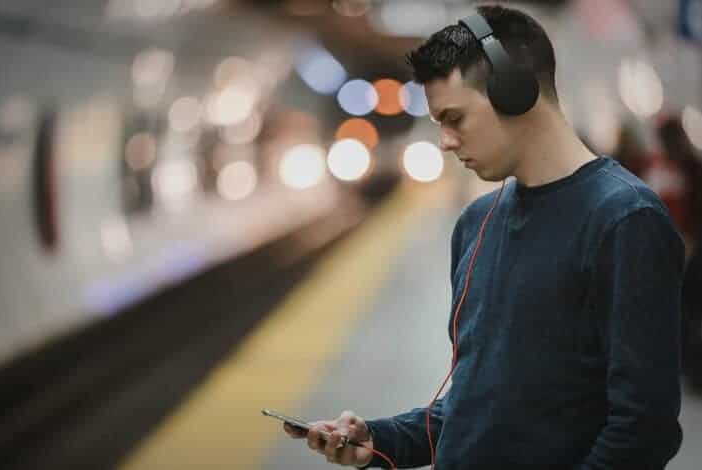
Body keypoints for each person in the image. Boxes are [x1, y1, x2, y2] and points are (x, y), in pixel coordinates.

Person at [284, 5, 685, 469]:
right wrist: (377, 440)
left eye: (455, 118)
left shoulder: (623, 219)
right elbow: (475, 408)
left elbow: (643, 430)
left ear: (515, 93)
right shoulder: (476, 223)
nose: (445, 142)